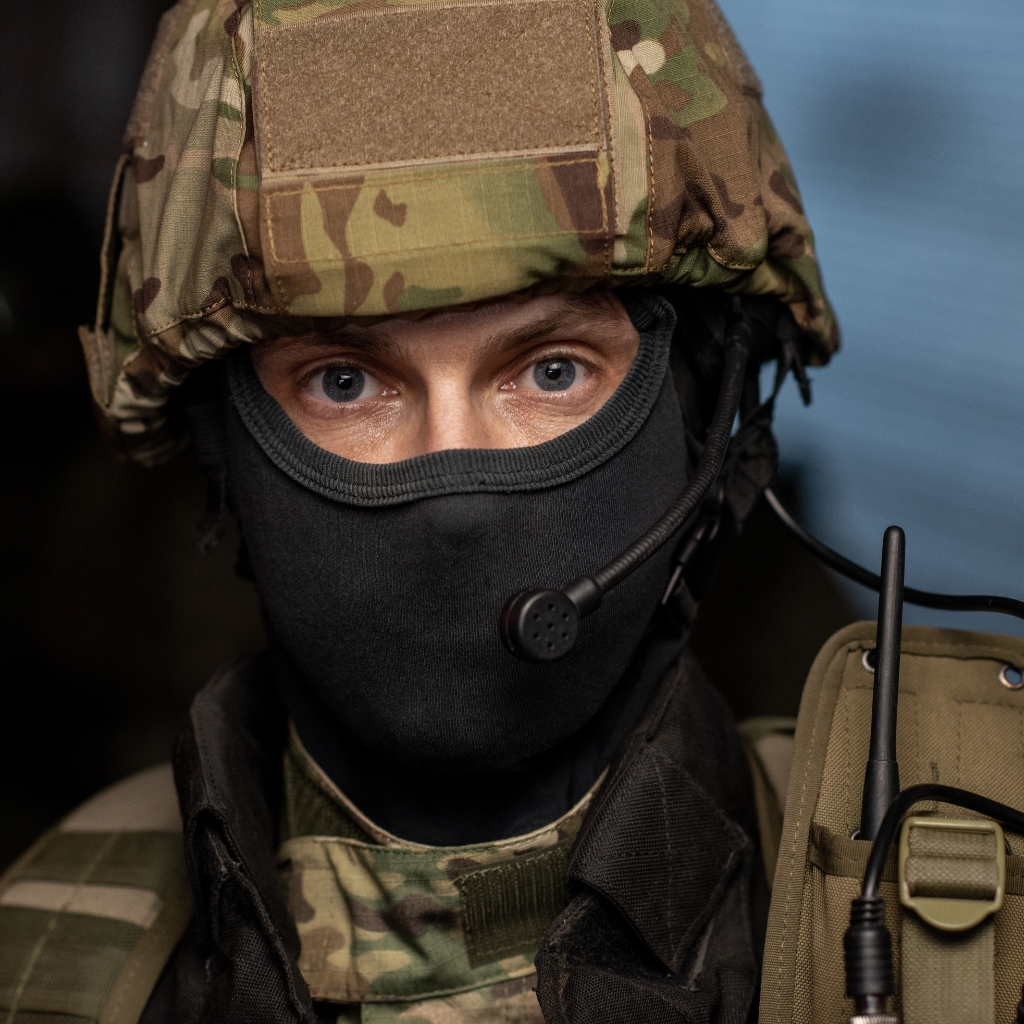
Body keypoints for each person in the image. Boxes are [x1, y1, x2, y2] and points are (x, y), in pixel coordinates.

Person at [0, 0, 837, 1021]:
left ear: (702, 418)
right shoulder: (51, 947)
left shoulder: (933, 901)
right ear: (226, 454)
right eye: (345, 384)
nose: (453, 501)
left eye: (552, 370)